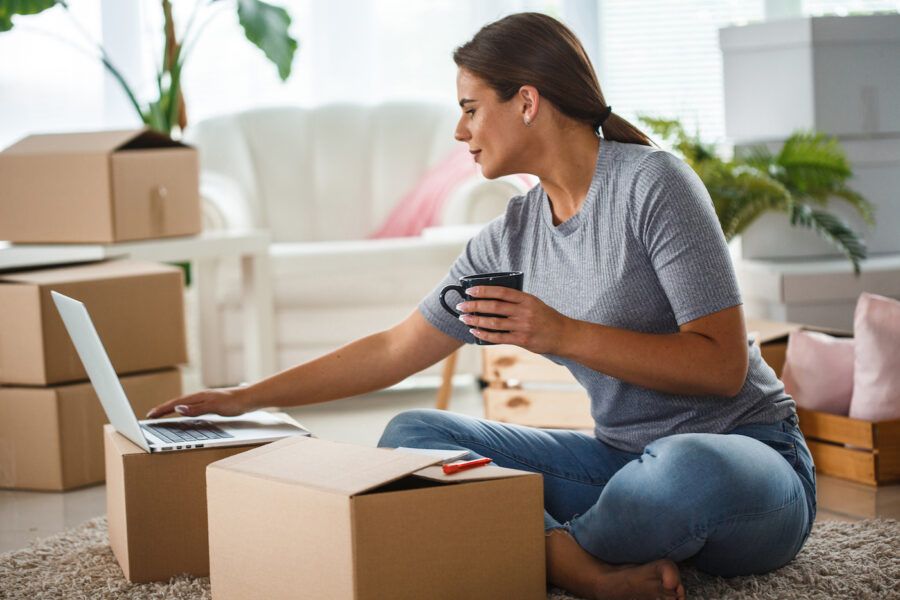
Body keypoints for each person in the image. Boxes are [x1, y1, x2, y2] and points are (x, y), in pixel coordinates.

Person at [147, 12, 816, 600]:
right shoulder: (512, 234)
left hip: (745, 459)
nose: (460, 130)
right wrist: (241, 399)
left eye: (471, 107)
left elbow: (722, 367)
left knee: (676, 476)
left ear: (526, 102)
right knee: (413, 436)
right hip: (618, 464)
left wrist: (559, 333)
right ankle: (572, 562)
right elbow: (392, 350)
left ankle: (543, 551)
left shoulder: (653, 185)